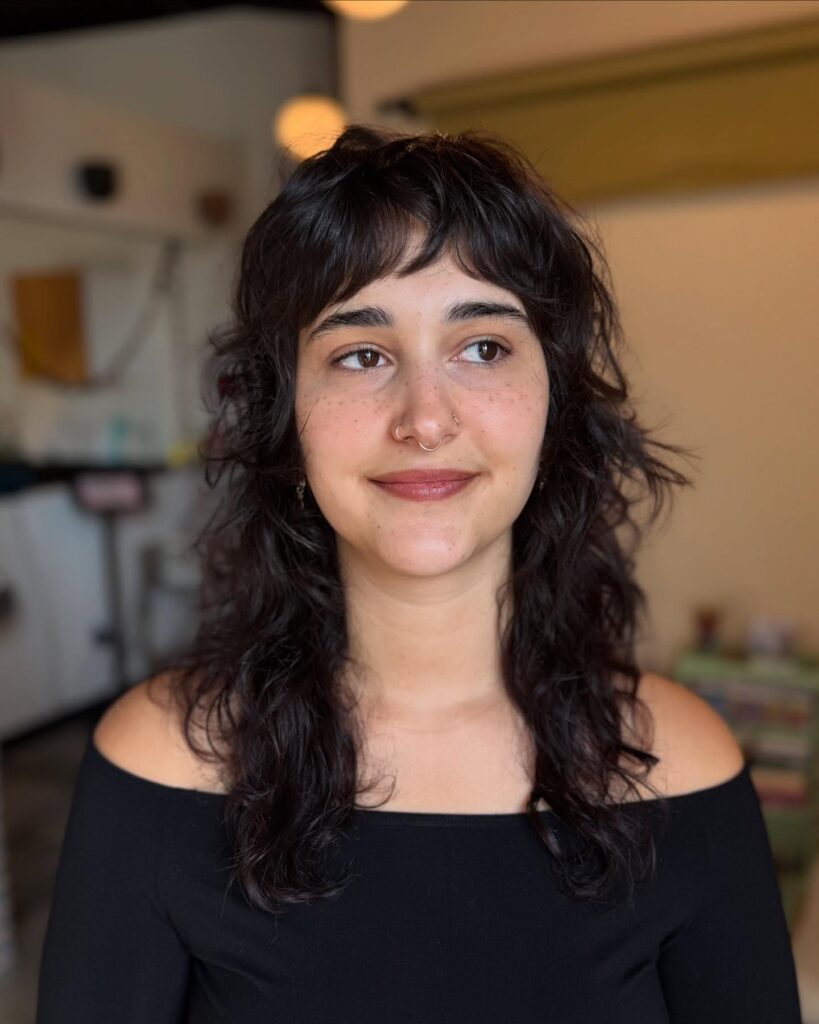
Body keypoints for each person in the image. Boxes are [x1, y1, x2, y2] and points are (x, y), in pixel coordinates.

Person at [36, 124, 801, 1023]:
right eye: (360, 353)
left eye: (482, 346)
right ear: (287, 417)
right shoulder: (161, 763)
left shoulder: (678, 764)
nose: (424, 418)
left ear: (554, 403)